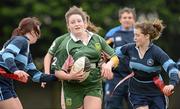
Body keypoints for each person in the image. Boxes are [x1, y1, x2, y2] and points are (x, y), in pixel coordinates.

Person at [44, 6, 119, 109]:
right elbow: (57, 71)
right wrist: (70, 76)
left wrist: (109, 65)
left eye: (79, 21)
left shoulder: (97, 39)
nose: (76, 24)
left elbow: (115, 57)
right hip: (72, 87)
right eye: (72, 22)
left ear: (85, 23)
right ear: (68, 26)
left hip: (93, 85)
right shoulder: (65, 44)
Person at [115, 19, 180, 109]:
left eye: (137, 35)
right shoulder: (130, 48)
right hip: (137, 92)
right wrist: (108, 62)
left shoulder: (157, 52)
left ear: (147, 36)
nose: (134, 38)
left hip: (156, 92)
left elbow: (172, 68)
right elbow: (113, 53)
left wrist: (171, 84)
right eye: (134, 35)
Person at [0, 17, 57, 109]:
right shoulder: (21, 40)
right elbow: (7, 54)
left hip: (7, 82)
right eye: (38, 30)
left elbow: (35, 75)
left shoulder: (27, 51)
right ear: (32, 31)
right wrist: (15, 70)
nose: (39, 35)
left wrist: (59, 77)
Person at [104, 7, 136, 109]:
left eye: (129, 17)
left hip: (134, 78)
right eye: (124, 17)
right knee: (112, 105)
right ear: (120, 19)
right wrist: (105, 66)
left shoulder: (139, 34)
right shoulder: (112, 33)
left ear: (134, 19)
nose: (127, 19)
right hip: (115, 77)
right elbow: (103, 53)